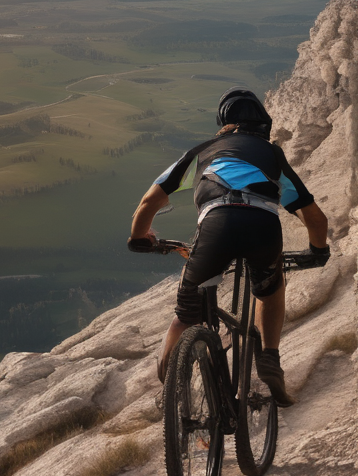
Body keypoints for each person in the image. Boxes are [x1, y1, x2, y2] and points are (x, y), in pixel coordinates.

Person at [128, 87, 330, 407]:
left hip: (216, 226)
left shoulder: (202, 152)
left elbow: (149, 201)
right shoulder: (271, 155)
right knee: (270, 287)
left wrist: (139, 237)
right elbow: (315, 219)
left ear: (223, 122)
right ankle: (269, 358)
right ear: (263, 124)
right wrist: (318, 251)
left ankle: (171, 393)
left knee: (186, 314)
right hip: (262, 228)